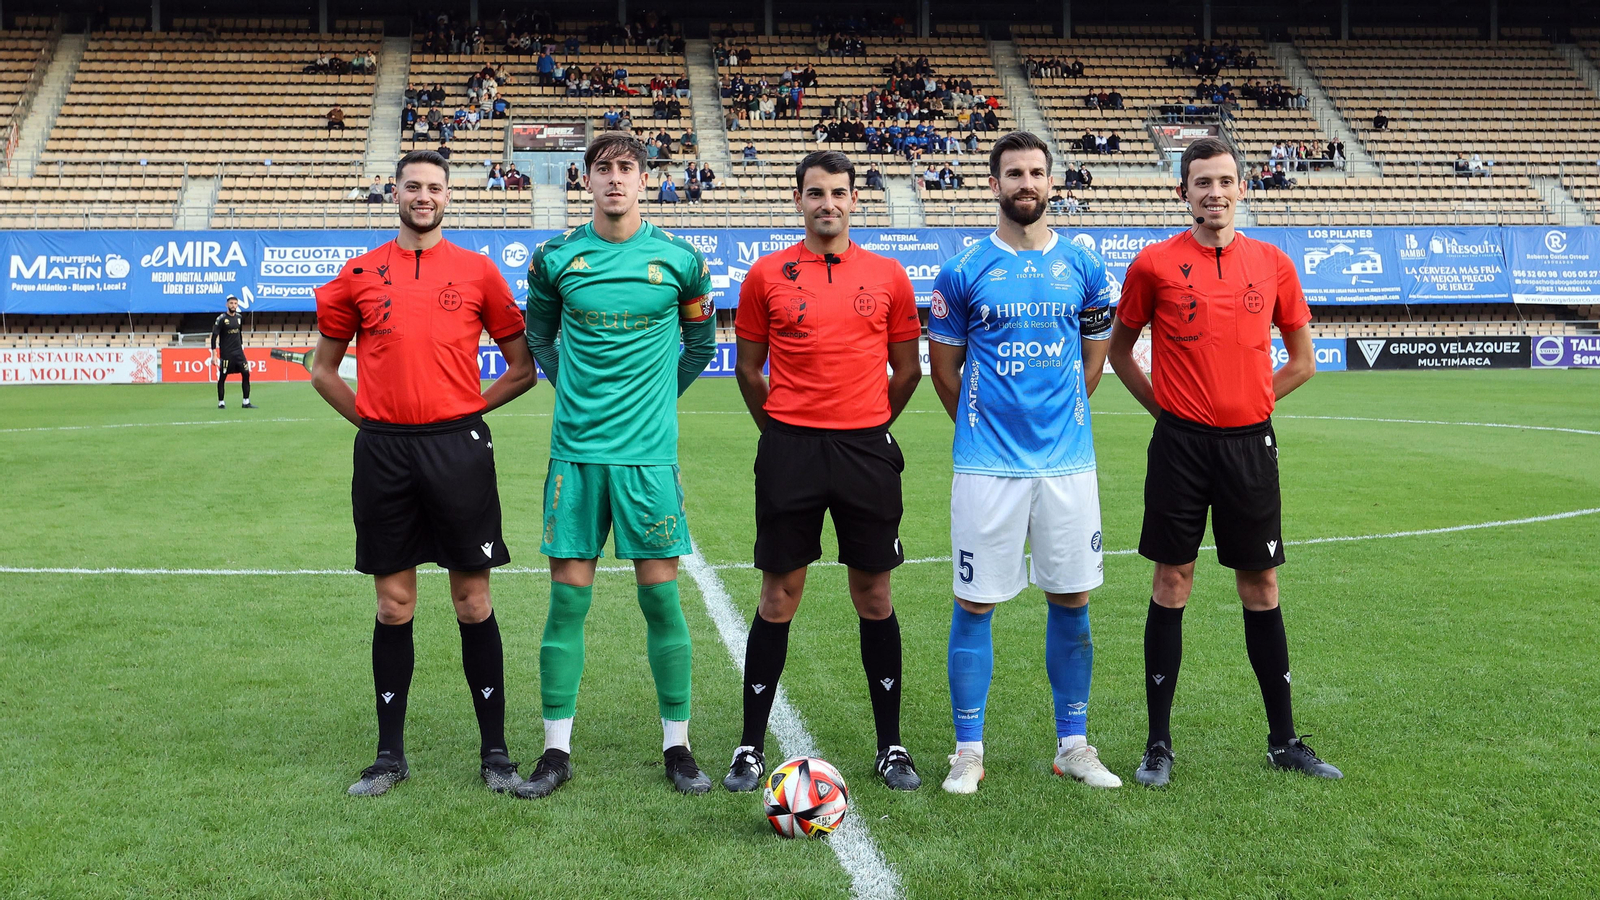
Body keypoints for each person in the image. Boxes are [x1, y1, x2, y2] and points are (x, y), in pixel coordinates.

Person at [1105, 137, 1340, 787]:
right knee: (1170, 582)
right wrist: (1167, 412)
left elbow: (1302, 361)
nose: (1214, 191)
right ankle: (1158, 744)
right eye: (1201, 181)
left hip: (1249, 447)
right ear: (1182, 191)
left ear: (1243, 189)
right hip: (1179, 446)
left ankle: (1284, 739)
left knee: (1260, 585)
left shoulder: (1272, 264)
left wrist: (1255, 402)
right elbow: (1122, 352)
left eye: (1225, 180)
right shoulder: (1152, 265)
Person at [311, 149, 538, 798]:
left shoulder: (478, 273)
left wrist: (466, 413)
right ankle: (389, 757)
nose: (424, 195)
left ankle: (495, 755)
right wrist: (372, 424)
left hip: (457, 451)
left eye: (435, 187)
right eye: (413, 185)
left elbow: (520, 367)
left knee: (473, 601)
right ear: (396, 192)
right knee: (394, 603)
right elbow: (322, 369)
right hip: (385, 452)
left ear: (448, 196)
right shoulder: (358, 273)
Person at [519, 131, 719, 800]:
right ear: (586, 180)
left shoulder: (681, 261)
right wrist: (576, 394)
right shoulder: (555, 259)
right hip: (575, 456)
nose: (614, 179)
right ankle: (554, 752)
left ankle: (678, 747)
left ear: (645, 179)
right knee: (566, 601)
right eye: (601, 168)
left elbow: (700, 345)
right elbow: (540, 338)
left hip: (647, 461)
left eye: (625, 168)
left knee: (660, 597)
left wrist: (656, 404)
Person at [925, 131, 1120, 796]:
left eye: (1036, 172)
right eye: (1014, 173)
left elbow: (1093, 358)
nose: (1026, 183)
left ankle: (1073, 745)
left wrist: (1060, 411)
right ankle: (968, 751)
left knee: (1072, 598)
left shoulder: (1084, 266)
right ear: (994, 184)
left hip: (1067, 464)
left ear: (1050, 181)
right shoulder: (963, 269)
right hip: (987, 466)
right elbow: (945, 372)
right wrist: (986, 426)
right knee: (975, 603)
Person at [724, 150, 925, 794]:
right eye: (816, 193)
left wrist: (867, 424)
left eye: (839, 193)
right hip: (790, 450)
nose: (827, 204)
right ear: (799, 200)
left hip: (866, 451)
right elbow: (749, 371)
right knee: (778, 595)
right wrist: (782, 431)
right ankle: (750, 747)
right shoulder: (766, 275)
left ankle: (891, 746)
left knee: (875, 594)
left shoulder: (890, 276)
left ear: (855, 200)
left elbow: (908, 370)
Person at [211, 295, 253, 409]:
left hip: (239, 353)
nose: (233, 305)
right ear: (227, 305)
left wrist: (242, 345)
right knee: (223, 377)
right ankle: (221, 402)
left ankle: (246, 401)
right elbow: (214, 337)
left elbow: (239, 333)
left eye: (235, 303)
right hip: (226, 353)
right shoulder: (221, 319)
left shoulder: (239, 317)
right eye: (231, 303)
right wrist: (214, 355)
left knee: (246, 373)